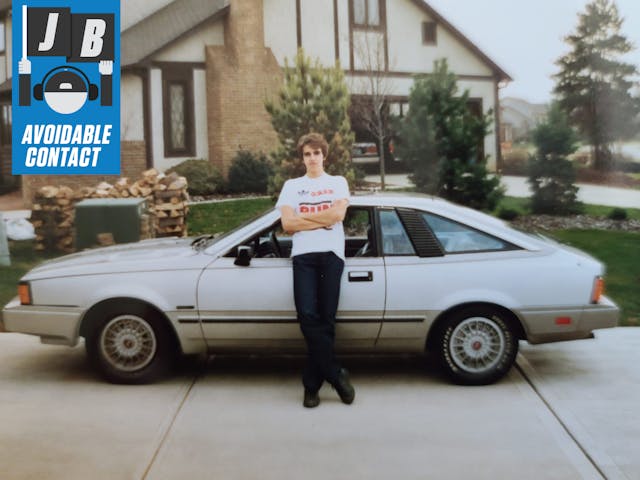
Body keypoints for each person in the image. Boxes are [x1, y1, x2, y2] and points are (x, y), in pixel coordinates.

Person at [276, 133, 355, 408]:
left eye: (316, 153)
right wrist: (319, 220)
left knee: (326, 319)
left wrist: (303, 220)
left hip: (332, 255)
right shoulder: (292, 186)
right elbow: (287, 224)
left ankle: (311, 386)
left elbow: (337, 217)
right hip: (304, 257)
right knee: (307, 316)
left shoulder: (337, 183)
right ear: (302, 158)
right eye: (307, 154)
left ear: (325, 155)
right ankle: (335, 374)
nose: (312, 158)